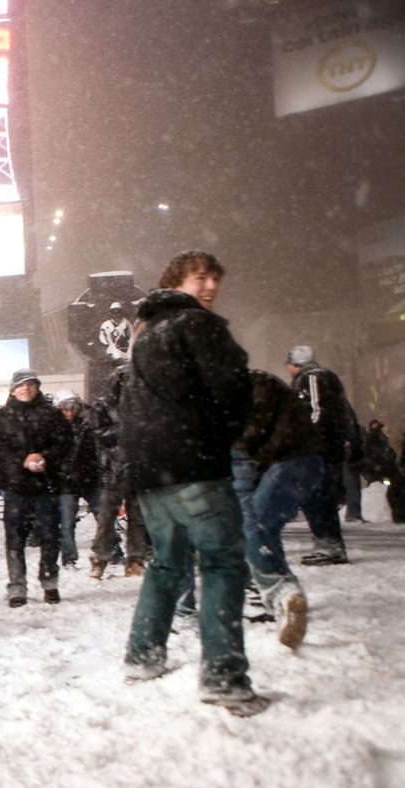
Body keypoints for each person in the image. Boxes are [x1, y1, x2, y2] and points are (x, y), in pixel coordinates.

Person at [120, 251, 262, 714]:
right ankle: (224, 676)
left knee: (168, 562)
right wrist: (226, 432)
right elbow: (233, 389)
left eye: (215, 279)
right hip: (193, 461)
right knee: (221, 563)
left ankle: (143, 655)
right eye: (200, 278)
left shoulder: (143, 332)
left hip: (149, 470)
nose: (211, 287)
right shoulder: (199, 325)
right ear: (176, 281)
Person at [232, 370, 324, 650]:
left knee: (254, 526)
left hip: (294, 460)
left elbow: (254, 428)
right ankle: (285, 600)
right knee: (265, 528)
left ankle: (282, 592)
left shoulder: (256, 383)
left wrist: (235, 443)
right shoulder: (256, 383)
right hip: (296, 460)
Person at [0, 369, 70, 607]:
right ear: (12, 390)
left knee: (50, 536)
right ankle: (17, 587)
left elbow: (65, 444)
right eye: (20, 386)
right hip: (15, 487)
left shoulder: (53, 415)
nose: (26, 389)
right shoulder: (1, 417)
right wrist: (21, 461)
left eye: (30, 385)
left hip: (46, 486)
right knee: (14, 539)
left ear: (37, 387)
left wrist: (45, 458)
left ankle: (50, 582)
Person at [285, 345, 354, 564]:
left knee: (316, 496)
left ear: (296, 364)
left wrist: (306, 439)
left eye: (289, 364)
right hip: (326, 448)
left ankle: (329, 545)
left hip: (318, 448)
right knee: (320, 496)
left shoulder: (312, 378)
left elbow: (317, 411)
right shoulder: (322, 378)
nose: (288, 369)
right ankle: (329, 544)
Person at [88, 359, 149, 579]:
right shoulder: (102, 406)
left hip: (137, 470)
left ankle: (135, 559)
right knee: (105, 519)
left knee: (138, 518)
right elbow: (99, 433)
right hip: (110, 471)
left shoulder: (144, 406)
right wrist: (128, 432)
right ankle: (100, 559)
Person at [55, 392, 100, 569]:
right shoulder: (56, 427)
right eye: (64, 409)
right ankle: (69, 559)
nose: (68, 412)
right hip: (68, 481)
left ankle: (112, 551)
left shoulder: (89, 424)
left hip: (88, 478)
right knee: (67, 523)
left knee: (103, 518)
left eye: (71, 408)